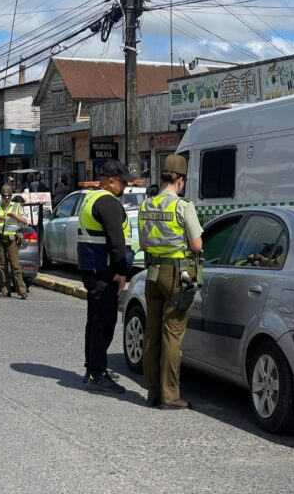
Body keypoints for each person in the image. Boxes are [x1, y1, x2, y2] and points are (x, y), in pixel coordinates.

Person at [138, 154, 203, 410]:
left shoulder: (146, 205)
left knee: (151, 335)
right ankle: (170, 395)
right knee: (172, 336)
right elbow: (197, 245)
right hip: (176, 275)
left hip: (152, 274)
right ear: (181, 181)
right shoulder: (183, 206)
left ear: (162, 176)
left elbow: (143, 244)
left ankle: (153, 392)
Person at [77, 159, 134, 394]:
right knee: (104, 322)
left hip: (92, 268)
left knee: (95, 320)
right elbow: (116, 241)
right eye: (122, 183)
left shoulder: (90, 197)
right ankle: (97, 374)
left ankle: (93, 368)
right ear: (111, 181)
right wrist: (122, 272)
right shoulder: (108, 202)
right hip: (104, 271)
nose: (124, 187)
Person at [0, 185, 29, 299]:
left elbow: (25, 221)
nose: (6, 199)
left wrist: (14, 216)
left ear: (11, 196)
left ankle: (22, 291)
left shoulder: (17, 206)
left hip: (12, 239)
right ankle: (5, 290)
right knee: (1, 265)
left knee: (15, 265)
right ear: (1, 196)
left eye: (8, 196)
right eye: (4, 196)